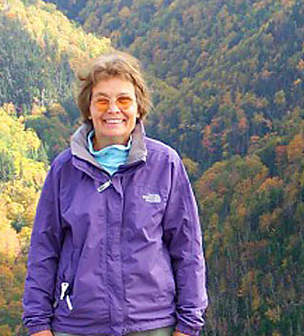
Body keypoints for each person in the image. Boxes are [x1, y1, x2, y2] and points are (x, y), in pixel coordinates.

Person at [22, 51, 208, 336]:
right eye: (102, 100)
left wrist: (189, 324)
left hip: (153, 324)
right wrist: (37, 324)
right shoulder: (64, 169)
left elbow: (187, 250)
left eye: (123, 100)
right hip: (78, 325)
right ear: (89, 108)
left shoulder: (165, 164)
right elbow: (44, 249)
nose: (113, 109)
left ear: (138, 107)